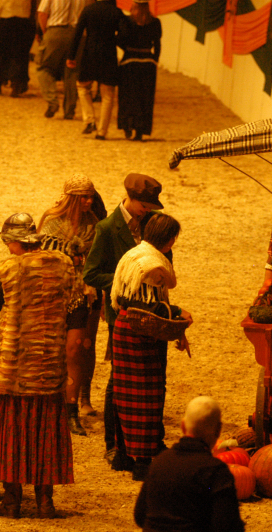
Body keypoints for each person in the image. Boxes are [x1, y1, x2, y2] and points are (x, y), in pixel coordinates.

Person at [0, 213, 75, 519]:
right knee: (45, 433)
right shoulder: (64, 265)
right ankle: (45, 502)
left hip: (15, 367)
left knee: (12, 431)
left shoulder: (10, 270)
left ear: (15, 242)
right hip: (49, 363)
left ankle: (12, 501)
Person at [83, 173, 165, 468]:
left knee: (153, 377)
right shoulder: (107, 228)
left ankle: (151, 439)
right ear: (130, 198)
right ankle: (113, 443)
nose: (148, 210)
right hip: (123, 313)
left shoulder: (151, 222)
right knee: (119, 380)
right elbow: (91, 273)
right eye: (145, 205)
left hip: (152, 312)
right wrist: (125, 281)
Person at [110, 213, 192, 481]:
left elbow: (123, 298)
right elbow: (145, 305)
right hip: (141, 331)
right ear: (168, 239)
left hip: (124, 327)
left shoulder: (133, 254)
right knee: (146, 395)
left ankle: (123, 454)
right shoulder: (151, 265)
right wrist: (177, 312)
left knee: (124, 393)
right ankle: (143, 462)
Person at [38, 174, 100, 435]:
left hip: (81, 295)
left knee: (74, 350)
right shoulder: (50, 221)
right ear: (72, 198)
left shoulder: (93, 224)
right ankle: (48, 406)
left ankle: (71, 410)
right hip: (52, 294)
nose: (88, 201)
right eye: (83, 197)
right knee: (49, 350)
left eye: (90, 197)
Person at [133, 396, 245, 532]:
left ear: (183, 426)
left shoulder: (159, 462)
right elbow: (227, 526)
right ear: (218, 430)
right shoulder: (216, 471)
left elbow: (140, 516)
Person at [36, 0, 94, 119]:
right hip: (78, 35)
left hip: (55, 31)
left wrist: (46, 32)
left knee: (44, 67)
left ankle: (52, 101)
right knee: (72, 72)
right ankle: (69, 110)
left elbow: (42, 13)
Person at [67, 0, 123, 139]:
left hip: (90, 53)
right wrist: (113, 41)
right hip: (109, 54)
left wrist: (71, 56)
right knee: (107, 94)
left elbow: (78, 34)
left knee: (82, 86)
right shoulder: (116, 12)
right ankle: (102, 131)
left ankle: (89, 120)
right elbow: (124, 33)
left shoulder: (88, 10)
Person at [117, 0, 162, 141]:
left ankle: (127, 125)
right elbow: (157, 44)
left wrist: (127, 50)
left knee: (128, 96)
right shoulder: (155, 22)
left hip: (130, 61)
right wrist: (154, 59)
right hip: (147, 63)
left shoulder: (126, 21)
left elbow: (120, 40)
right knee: (145, 98)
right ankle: (140, 130)